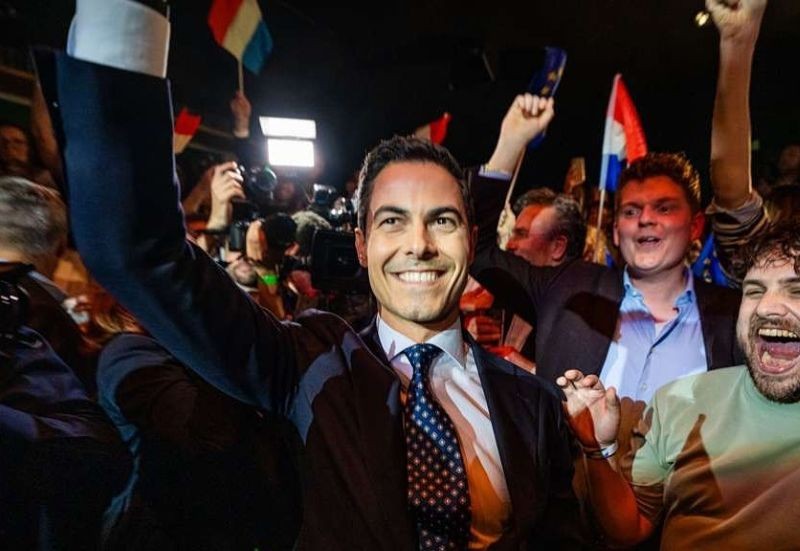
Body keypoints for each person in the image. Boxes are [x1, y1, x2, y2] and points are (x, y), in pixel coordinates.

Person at [41, 1, 581, 548]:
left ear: (471, 239)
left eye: (442, 220)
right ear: (362, 246)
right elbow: (137, 247)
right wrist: (127, 14)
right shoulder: (304, 361)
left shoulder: (534, 404)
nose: (418, 245)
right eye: (392, 221)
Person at [471, 94, 742, 404]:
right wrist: (510, 144)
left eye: (663, 208)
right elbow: (478, 249)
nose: (645, 219)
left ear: (695, 226)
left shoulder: (732, 316)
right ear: (616, 230)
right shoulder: (569, 288)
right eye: (631, 211)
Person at [559, 219, 800, 550]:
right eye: (754, 291)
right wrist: (598, 449)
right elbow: (629, 529)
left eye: (796, 290)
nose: (766, 307)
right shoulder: (679, 400)